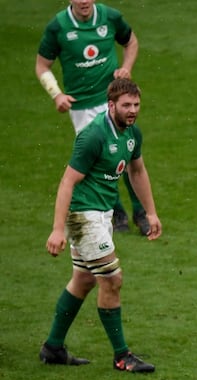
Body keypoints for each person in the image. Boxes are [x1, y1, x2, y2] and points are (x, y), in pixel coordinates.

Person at [41, 78, 161, 373]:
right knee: (112, 279)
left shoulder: (132, 133)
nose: (132, 111)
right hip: (83, 217)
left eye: (136, 105)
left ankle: (53, 347)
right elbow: (67, 182)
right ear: (111, 105)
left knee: (83, 280)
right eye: (126, 106)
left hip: (102, 215)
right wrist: (58, 228)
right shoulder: (92, 135)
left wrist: (151, 212)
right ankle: (122, 355)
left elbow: (137, 170)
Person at [36, 0, 148, 235]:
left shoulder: (110, 16)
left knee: (126, 153)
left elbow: (131, 42)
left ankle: (141, 213)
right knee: (98, 160)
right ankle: (117, 213)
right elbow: (42, 66)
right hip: (81, 106)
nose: (84, 1)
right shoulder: (58, 26)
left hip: (113, 101)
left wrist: (126, 67)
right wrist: (56, 94)